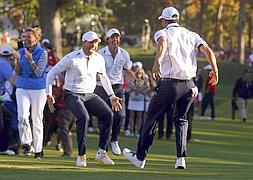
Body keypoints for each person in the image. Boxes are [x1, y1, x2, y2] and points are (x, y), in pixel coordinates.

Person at [123, 6, 218, 169]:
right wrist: (215, 70)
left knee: (151, 117)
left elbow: (163, 42)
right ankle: (181, 158)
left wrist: (157, 61)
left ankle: (140, 157)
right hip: (189, 85)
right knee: (181, 120)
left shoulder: (162, 33)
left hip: (170, 84)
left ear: (164, 20)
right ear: (177, 19)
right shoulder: (191, 34)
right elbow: (207, 50)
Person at [46, 31, 122, 167]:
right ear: (83, 42)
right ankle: (81, 156)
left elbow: (104, 78)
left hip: (89, 94)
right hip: (71, 94)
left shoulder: (99, 58)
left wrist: (111, 96)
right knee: (84, 117)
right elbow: (51, 73)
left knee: (108, 114)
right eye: (91, 42)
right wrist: (49, 94)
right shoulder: (72, 58)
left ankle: (102, 152)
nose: (94, 45)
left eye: (96, 42)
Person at [96, 28, 143, 155]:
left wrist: (135, 81)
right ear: (107, 40)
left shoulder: (124, 54)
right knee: (105, 117)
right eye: (112, 37)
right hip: (102, 88)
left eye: (117, 37)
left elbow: (127, 71)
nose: (115, 39)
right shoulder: (100, 54)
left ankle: (114, 140)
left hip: (117, 87)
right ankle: (103, 147)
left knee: (120, 115)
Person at [15, 27, 48, 159]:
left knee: (37, 119)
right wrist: (18, 59)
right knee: (22, 116)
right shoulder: (21, 51)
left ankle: (38, 150)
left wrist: (30, 60)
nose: (26, 39)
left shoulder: (43, 53)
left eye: (29, 37)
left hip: (38, 89)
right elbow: (17, 72)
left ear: (37, 38)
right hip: (22, 86)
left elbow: (39, 72)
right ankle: (27, 142)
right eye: (25, 37)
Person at [0, 44, 17, 155]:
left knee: (7, 117)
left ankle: (3, 147)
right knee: (2, 123)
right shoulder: (4, 64)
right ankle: (2, 148)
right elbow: (14, 81)